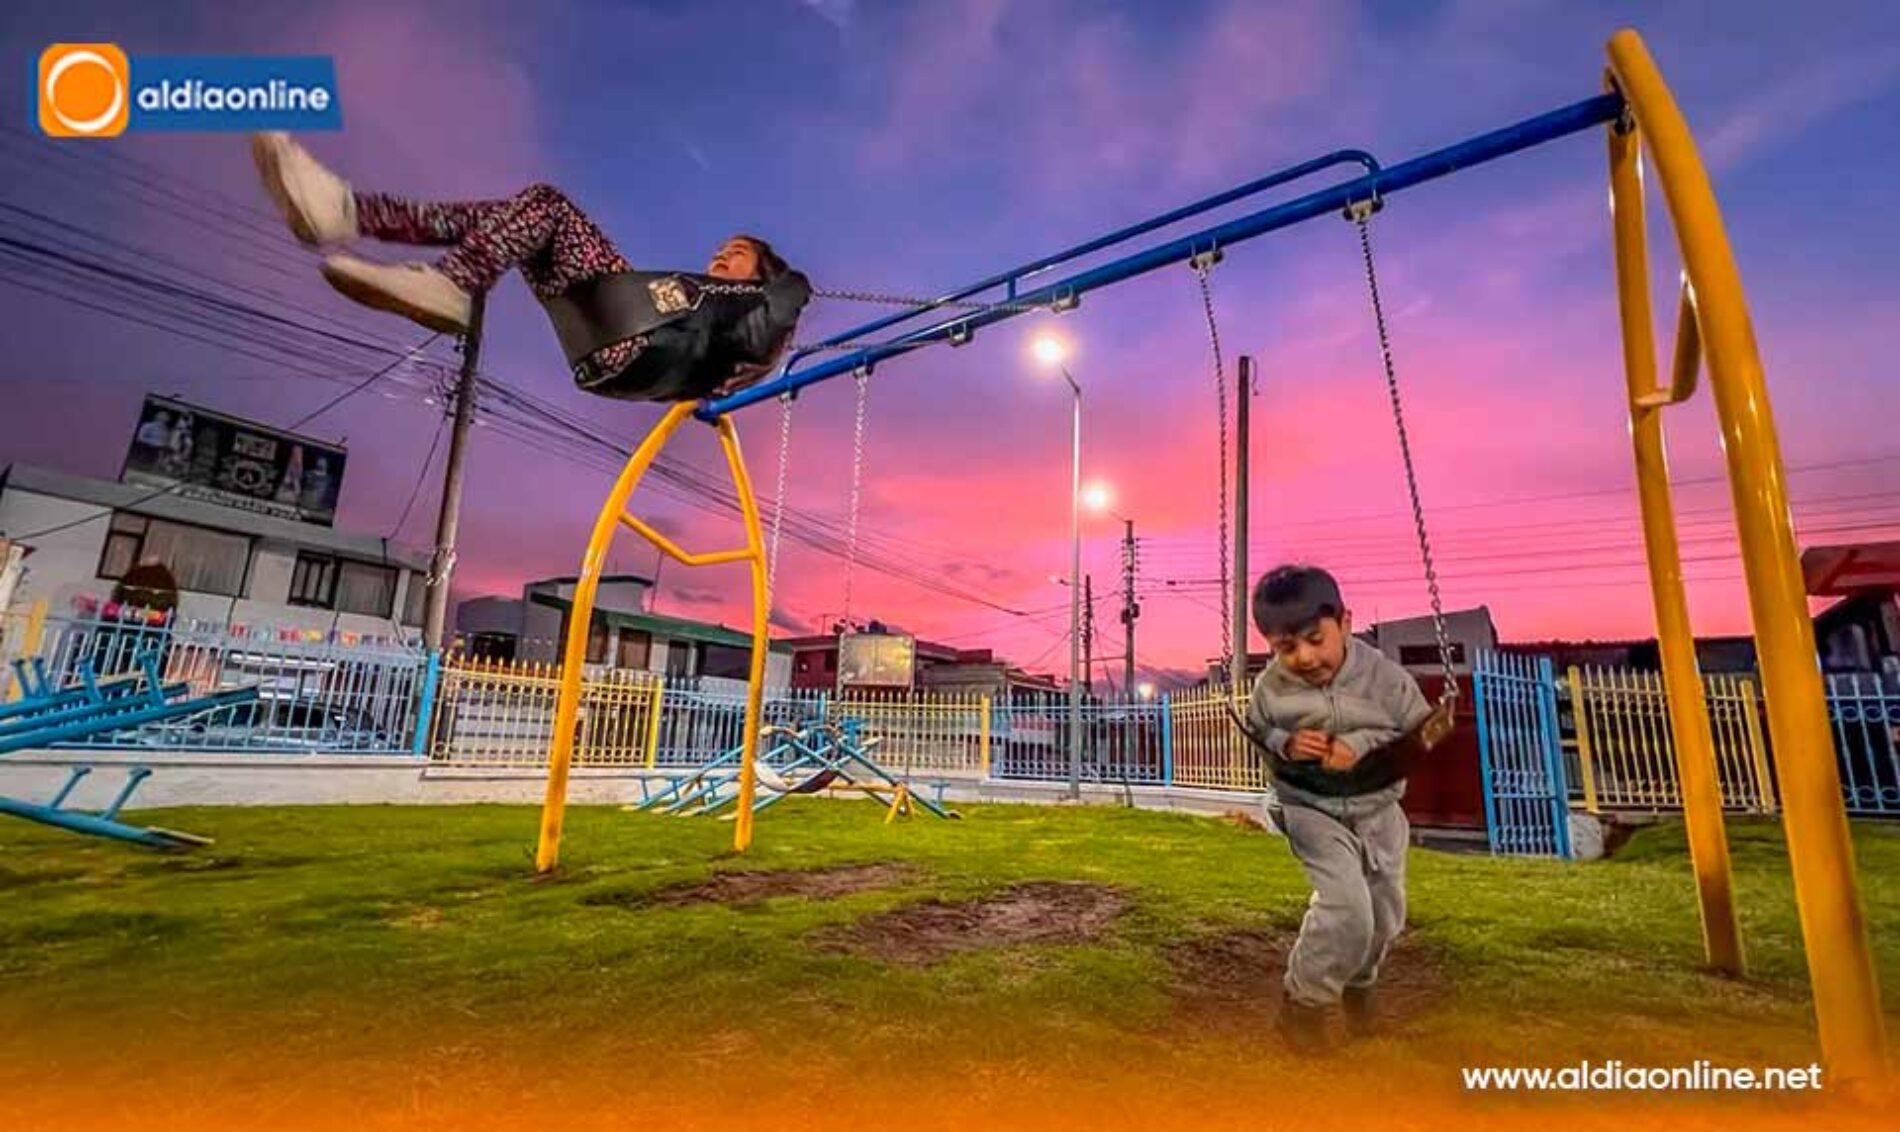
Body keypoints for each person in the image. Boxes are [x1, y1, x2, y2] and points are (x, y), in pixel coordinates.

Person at [249, 133, 809, 403]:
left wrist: (793, 287)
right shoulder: (706, 303)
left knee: (546, 205)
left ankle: (440, 277)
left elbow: (773, 322)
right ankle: (345, 211)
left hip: (632, 340)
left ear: (762, 273)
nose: (719, 255)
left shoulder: (757, 311)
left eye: (735, 252)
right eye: (720, 249)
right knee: (520, 221)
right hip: (607, 337)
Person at [1243, 565, 1432, 1054]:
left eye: (1314, 639)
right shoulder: (1270, 690)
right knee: (1348, 909)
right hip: (1310, 806)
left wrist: (1361, 745)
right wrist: (1285, 744)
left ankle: (1359, 983)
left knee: (1385, 914)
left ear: (1345, 623)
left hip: (1379, 808)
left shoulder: (1386, 680)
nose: (1304, 657)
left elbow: (1418, 735)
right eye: (1286, 648)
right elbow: (1258, 732)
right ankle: (1303, 1004)